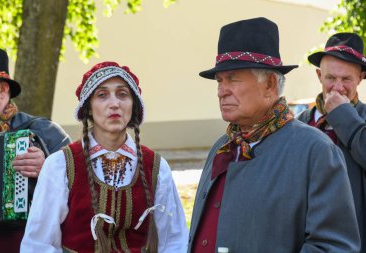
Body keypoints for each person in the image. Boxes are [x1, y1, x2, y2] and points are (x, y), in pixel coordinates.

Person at [187, 17, 360, 253]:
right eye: (219, 81)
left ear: (269, 84)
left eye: (233, 79)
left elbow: (333, 247)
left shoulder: (315, 150)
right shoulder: (222, 147)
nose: (221, 91)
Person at [21, 61, 188, 252]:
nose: (114, 103)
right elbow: (39, 244)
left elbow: (174, 241)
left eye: (122, 94)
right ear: (88, 108)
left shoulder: (156, 167)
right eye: (102, 95)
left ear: (133, 105)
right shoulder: (60, 166)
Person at [0, 45, 71, 253]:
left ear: (3, 90)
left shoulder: (43, 130)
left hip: (26, 242)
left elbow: (80, 185)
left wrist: (47, 169)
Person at [297, 32, 366, 253]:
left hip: (356, 237)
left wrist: (343, 116)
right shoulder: (300, 124)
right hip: (305, 236)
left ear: (361, 77)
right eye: (330, 78)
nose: (337, 87)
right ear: (319, 75)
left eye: (346, 79)